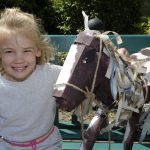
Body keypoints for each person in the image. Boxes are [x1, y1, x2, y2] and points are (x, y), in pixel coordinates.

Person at [0, 7, 62, 150]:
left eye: (26, 50)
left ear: (38, 51)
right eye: (9, 51)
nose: (18, 59)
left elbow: (82, 74)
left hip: (49, 145)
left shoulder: (51, 74)